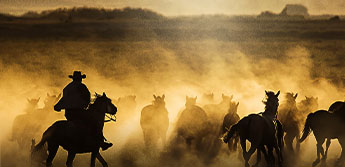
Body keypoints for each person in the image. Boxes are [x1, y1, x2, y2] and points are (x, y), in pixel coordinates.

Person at [54, 71, 112, 150]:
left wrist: (58, 106)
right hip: (79, 113)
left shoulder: (67, 88)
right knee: (94, 122)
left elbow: (64, 99)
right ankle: (101, 143)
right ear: (80, 79)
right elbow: (87, 98)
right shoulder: (81, 86)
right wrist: (86, 105)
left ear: (73, 78)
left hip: (68, 114)